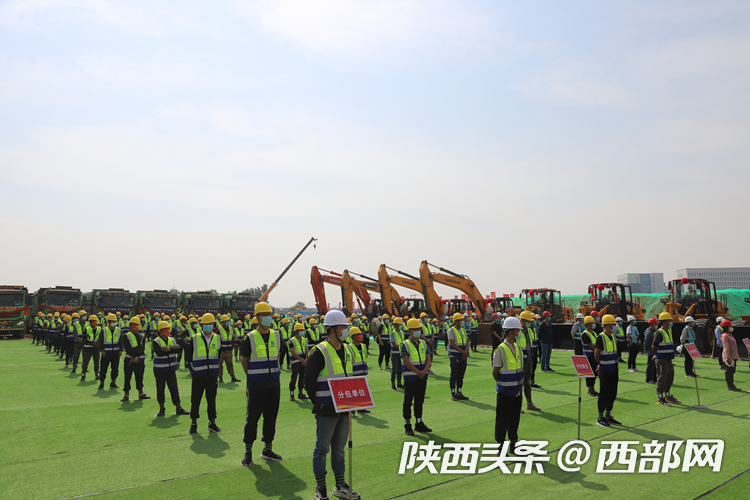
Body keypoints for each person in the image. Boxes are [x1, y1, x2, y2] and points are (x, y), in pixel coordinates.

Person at [304, 310, 360, 500]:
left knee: (339, 448)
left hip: (345, 408)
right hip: (326, 409)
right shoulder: (319, 351)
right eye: (343, 327)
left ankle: (340, 485)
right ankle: (320, 488)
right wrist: (319, 403)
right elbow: (308, 382)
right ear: (333, 329)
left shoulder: (349, 349)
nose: (346, 330)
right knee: (322, 448)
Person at [240, 302, 283, 466]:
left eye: (269, 315)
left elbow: (277, 356)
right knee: (252, 419)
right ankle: (248, 452)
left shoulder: (277, 335)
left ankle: (267, 449)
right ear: (257, 318)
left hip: (273, 384)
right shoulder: (250, 337)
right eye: (264, 315)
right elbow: (244, 361)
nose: (268, 318)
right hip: (256, 385)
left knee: (271, 418)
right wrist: (252, 377)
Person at [185, 313, 222, 436]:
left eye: (210, 324)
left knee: (211, 400)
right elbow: (189, 356)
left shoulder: (217, 338)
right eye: (205, 324)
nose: (208, 326)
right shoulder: (195, 338)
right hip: (198, 375)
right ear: (201, 325)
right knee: (195, 400)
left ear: (214, 325)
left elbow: (219, 355)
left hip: (212, 375)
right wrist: (192, 370)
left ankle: (212, 423)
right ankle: (194, 423)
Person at [493, 317, 524, 453]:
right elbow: (495, 371)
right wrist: (503, 383)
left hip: (517, 391)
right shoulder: (501, 350)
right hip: (505, 392)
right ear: (511, 332)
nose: (519, 332)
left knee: (514, 419)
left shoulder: (518, 348)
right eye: (517, 330)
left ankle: (513, 443)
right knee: (502, 419)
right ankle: (500, 445)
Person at [401, 319, 432, 436]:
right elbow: (406, 361)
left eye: (418, 329)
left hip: (422, 377)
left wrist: (424, 371)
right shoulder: (404, 344)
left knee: (420, 401)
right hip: (411, 378)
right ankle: (407, 424)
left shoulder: (423, 343)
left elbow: (428, 358)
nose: (417, 331)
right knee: (408, 401)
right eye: (414, 329)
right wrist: (418, 371)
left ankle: (419, 423)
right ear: (409, 331)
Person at [152, 320, 189, 416]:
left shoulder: (172, 339)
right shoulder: (156, 341)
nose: (167, 330)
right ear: (160, 331)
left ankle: (178, 407)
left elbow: (179, 349)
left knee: (174, 389)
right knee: (160, 389)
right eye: (165, 329)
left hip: (171, 369)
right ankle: (162, 408)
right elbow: (159, 353)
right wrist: (173, 349)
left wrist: (170, 349)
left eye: (168, 328)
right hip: (159, 370)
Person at [595, 315, 622, 427]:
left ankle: (608, 415)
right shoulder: (601, 337)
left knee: (613, 393)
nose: (615, 326)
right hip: (605, 369)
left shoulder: (613, 337)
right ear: (607, 325)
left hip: (614, 368)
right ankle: (600, 417)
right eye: (613, 324)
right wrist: (600, 364)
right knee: (604, 393)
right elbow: (597, 354)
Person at [652, 312, 681, 406]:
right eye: (669, 320)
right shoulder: (660, 333)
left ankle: (667, 396)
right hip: (662, 359)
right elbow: (654, 345)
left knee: (670, 377)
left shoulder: (668, 331)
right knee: (662, 378)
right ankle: (660, 398)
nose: (671, 322)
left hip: (668, 359)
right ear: (664, 322)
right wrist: (656, 354)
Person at [120, 316, 150, 402]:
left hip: (139, 361)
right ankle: (126, 395)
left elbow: (142, 348)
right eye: (133, 324)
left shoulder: (142, 336)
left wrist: (136, 357)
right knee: (127, 377)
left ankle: (141, 393)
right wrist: (134, 357)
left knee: (139, 377)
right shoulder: (126, 336)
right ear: (130, 325)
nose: (135, 326)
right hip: (129, 361)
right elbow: (127, 348)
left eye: (137, 324)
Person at [518, 311, 542, 411]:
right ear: (522, 321)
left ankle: (529, 403)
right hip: (519, 362)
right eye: (528, 321)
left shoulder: (529, 331)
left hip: (528, 360)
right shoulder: (517, 332)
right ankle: (517, 406)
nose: (530, 323)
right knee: (518, 384)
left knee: (527, 383)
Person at [447, 312, 470, 401]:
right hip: (455, 356)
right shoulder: (451, 330)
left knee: (461, 374)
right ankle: (453, 393)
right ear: (456, 321)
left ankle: (459, 392)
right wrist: (463, 352)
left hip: (463, 355)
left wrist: (465, 351)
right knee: (454, 374)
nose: (463, 321)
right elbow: (452, 343)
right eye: (461, 320)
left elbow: (467, 341)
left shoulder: (463, 329)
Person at [97, 313, 121, 391]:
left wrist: (121, 350)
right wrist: (102, 350)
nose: (114, 322)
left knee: (115, 370)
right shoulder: (104, 330)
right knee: (103, 370)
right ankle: (101, 384)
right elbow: (100, 342)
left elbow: (121, 341)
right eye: (112, 321)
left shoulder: (119, 330)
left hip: (115, 354)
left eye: (115, 321)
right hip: (106, 354)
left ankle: (113, 383)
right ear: (109, 322)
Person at [349, 326, 370, 416]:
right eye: (357, 334)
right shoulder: (349, 347)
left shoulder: (363, 346)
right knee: (354, 391)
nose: (359, 336)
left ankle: (361, 408)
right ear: (352, 336)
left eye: (360, 334)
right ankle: (352, 409)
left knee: (362, 391)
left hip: (363, 372)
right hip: (354, 373)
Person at [216, 314, 241, 383]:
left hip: (229, 350)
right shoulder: (219, 329)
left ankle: (233, 377)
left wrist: (232, 347)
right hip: (221, 351)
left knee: (230, 364)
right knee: (219, 364)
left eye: (228, 321)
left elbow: (232, 338)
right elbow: (216, 339)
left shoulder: (231, 329)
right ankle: (220, 378)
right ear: (222, 322)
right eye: (226, 321)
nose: (227, 322)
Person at [288, 323, 310, 401]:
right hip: (296, 362)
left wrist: (306, 359)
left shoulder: (304, 339)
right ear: (296, 331)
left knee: (302, 378)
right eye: (300, 330)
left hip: (303, 362)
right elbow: (293, 352)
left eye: (302, 330)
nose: (302, 331)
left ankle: (300, 393)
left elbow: (307, 349)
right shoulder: (291, 341)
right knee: (294, 378)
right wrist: (302, 360)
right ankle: (292, 394)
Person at [719, 319, 742, 391]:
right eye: (730, 326)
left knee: (732, 371)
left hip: (733, 355)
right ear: (726, 327)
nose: (731, 328)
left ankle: (731, 385)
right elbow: (726, 347)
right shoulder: (725, 336)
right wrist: (728, 357)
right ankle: (730, 385)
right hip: (729, 356)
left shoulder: (730, 335)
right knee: (729, 371)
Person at [581, 315, 599, 397]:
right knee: (589, 374)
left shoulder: (594, 333)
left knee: (594, 373)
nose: (594, 324)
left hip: (594, 356)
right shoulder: (585, 334)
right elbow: (591, 346)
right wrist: (597, 353)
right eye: (592, 323)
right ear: (588, 324)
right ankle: (590, 390)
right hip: (588, 357)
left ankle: (593, 389)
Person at [81, 315, 101, 382]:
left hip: (96, 349)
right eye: (92, 321)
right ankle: (83, 375)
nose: (94, 322)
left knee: (97, 363)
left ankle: (97, 375)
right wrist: (92, 343)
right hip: (88, 349)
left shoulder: (99, 329)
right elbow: (84, 339)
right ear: (90, 322)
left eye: (95, 321)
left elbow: (101, 338)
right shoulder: (87, 329)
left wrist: (97, 342)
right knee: (85, 362)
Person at [389, 317, 406, 390]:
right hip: (395, 354)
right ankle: (393, 384)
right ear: (396, 325)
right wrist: (402, 347)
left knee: (400, 369)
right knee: (394, 369)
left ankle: (399, 383)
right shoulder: (392, 333)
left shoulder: (402, 333)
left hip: (401, 354)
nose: (401, 325)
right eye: (400, 324)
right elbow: (394, 344)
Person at [644, 318, 658, 384]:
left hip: (654, 351)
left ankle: (654, 379)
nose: (656, 326)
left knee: (655, 366)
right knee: (650, 366)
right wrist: (645, 348)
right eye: (655, 324)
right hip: (650, 351)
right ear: (651, 325)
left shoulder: (653, 331)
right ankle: (648, 379)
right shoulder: (649, 332)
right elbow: (647, 341)